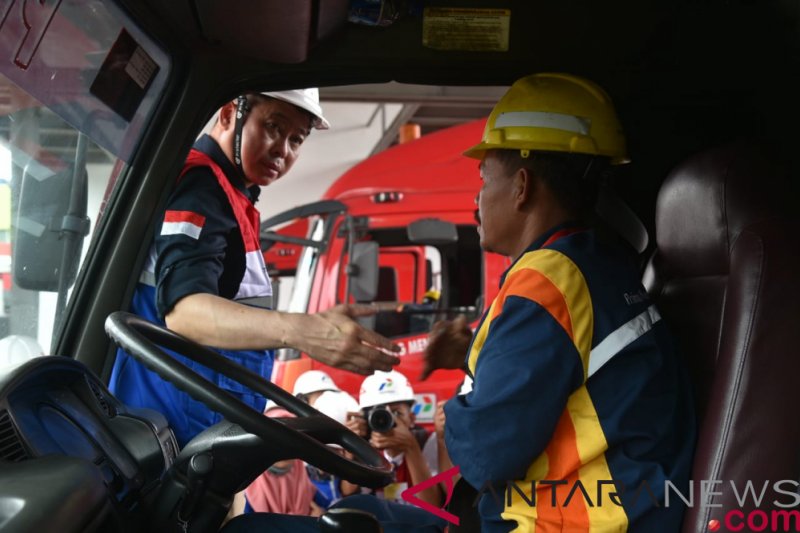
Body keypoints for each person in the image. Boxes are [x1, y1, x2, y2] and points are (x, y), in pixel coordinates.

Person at [421, 72, 696, 531]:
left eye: (484, 177)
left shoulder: (546, 281)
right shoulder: (596, 265)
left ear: (522, 185)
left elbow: (486, 454)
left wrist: (452, 416)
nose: (477, 199)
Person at [109, 89, 400, 447]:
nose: (283, 150)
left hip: (196, 424)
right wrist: (298, 331)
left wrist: (313, 326)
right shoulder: (203, 187)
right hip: (172, 427)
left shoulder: (233, 195)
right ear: (230, 114)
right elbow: (184, 313)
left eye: (297, 139)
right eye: (274, 127)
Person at [357, 369, 441, 508]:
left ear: (412, 418)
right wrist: (352, 445)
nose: (389, 420)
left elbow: (432, 508)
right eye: (380, 414)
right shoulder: (366, 450)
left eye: (397, 413)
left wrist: (411, 448)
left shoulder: (428, 442)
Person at [243, 403, 322, 516]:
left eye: (291, 440)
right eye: (274, 440)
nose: (284, 448)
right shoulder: (248, 492)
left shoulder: (307, 481)